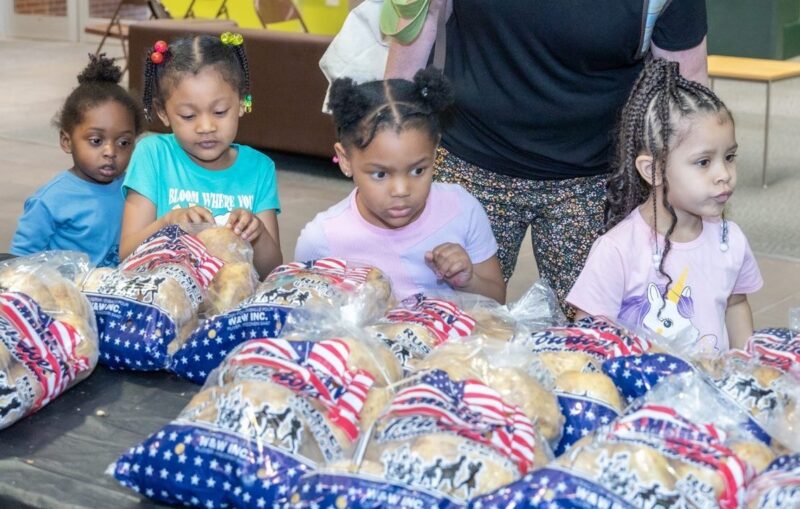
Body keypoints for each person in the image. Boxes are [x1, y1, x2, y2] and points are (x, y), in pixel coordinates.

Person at [384, 0, 709, 316]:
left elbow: (685, 83)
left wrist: (693, 196)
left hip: (594, 177)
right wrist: (387, 139)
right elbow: (418, 29)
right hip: (470, 157)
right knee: (441, 318)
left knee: (594, 332)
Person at [568, 59, 762, 352]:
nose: (724, 175)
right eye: (704, 162)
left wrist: (749, 366)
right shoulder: (617, 250)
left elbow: (735, 305)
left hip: (711, 394)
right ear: (654, 170)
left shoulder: (730, 239)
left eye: (730, 157)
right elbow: (587, 343)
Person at [295, 68, 505, 303]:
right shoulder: (322, 239)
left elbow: (497, 298)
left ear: (435, 150)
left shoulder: (462, 209)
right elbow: (308, 317)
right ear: (345, 160)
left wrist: (467, 281)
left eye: (418, 170)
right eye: (380, 174)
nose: (402, 190)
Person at [121, 33, 281, 278]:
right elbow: (127, 255)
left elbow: (272, 271)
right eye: (188, 116)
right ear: (163, 113)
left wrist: (257, 231)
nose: (206, 127)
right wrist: (168, 223)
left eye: (219, 111)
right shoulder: (152, 155)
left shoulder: (259, 169)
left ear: (241, 102)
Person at [11, 54, 143, 267]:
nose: (110, 151)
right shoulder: (50, 201)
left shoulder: (135, 190)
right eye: (96, 140)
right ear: (67, 141)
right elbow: (19, 263)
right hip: (66, 296)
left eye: (124, 142)